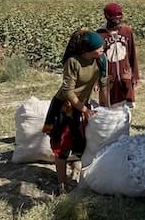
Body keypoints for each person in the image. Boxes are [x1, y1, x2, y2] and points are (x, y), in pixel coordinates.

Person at [43, 30, 109, 195]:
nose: (102, 48)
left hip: (82, 106)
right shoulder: (73, 62)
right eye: (98, 47)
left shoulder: (101, 59)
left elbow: (103, 85)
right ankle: (62, 184)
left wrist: (106, 109)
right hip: (64, 107)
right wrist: (84, 109)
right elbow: (68, 92)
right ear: (85, 50)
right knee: (62, 146)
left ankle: (80, 173)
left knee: (82, 142)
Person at [97, 3, 139, 107]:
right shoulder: (100, 34)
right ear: (107, 18)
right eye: (113, 19)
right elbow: (96, 60)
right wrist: (96, 81)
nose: (117, 22)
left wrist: (135, 74)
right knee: (109, 106)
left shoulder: (127, 31)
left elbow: (132, 54)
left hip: (125, 74)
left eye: (119, 18)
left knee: (126, 105)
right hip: (108, 77)